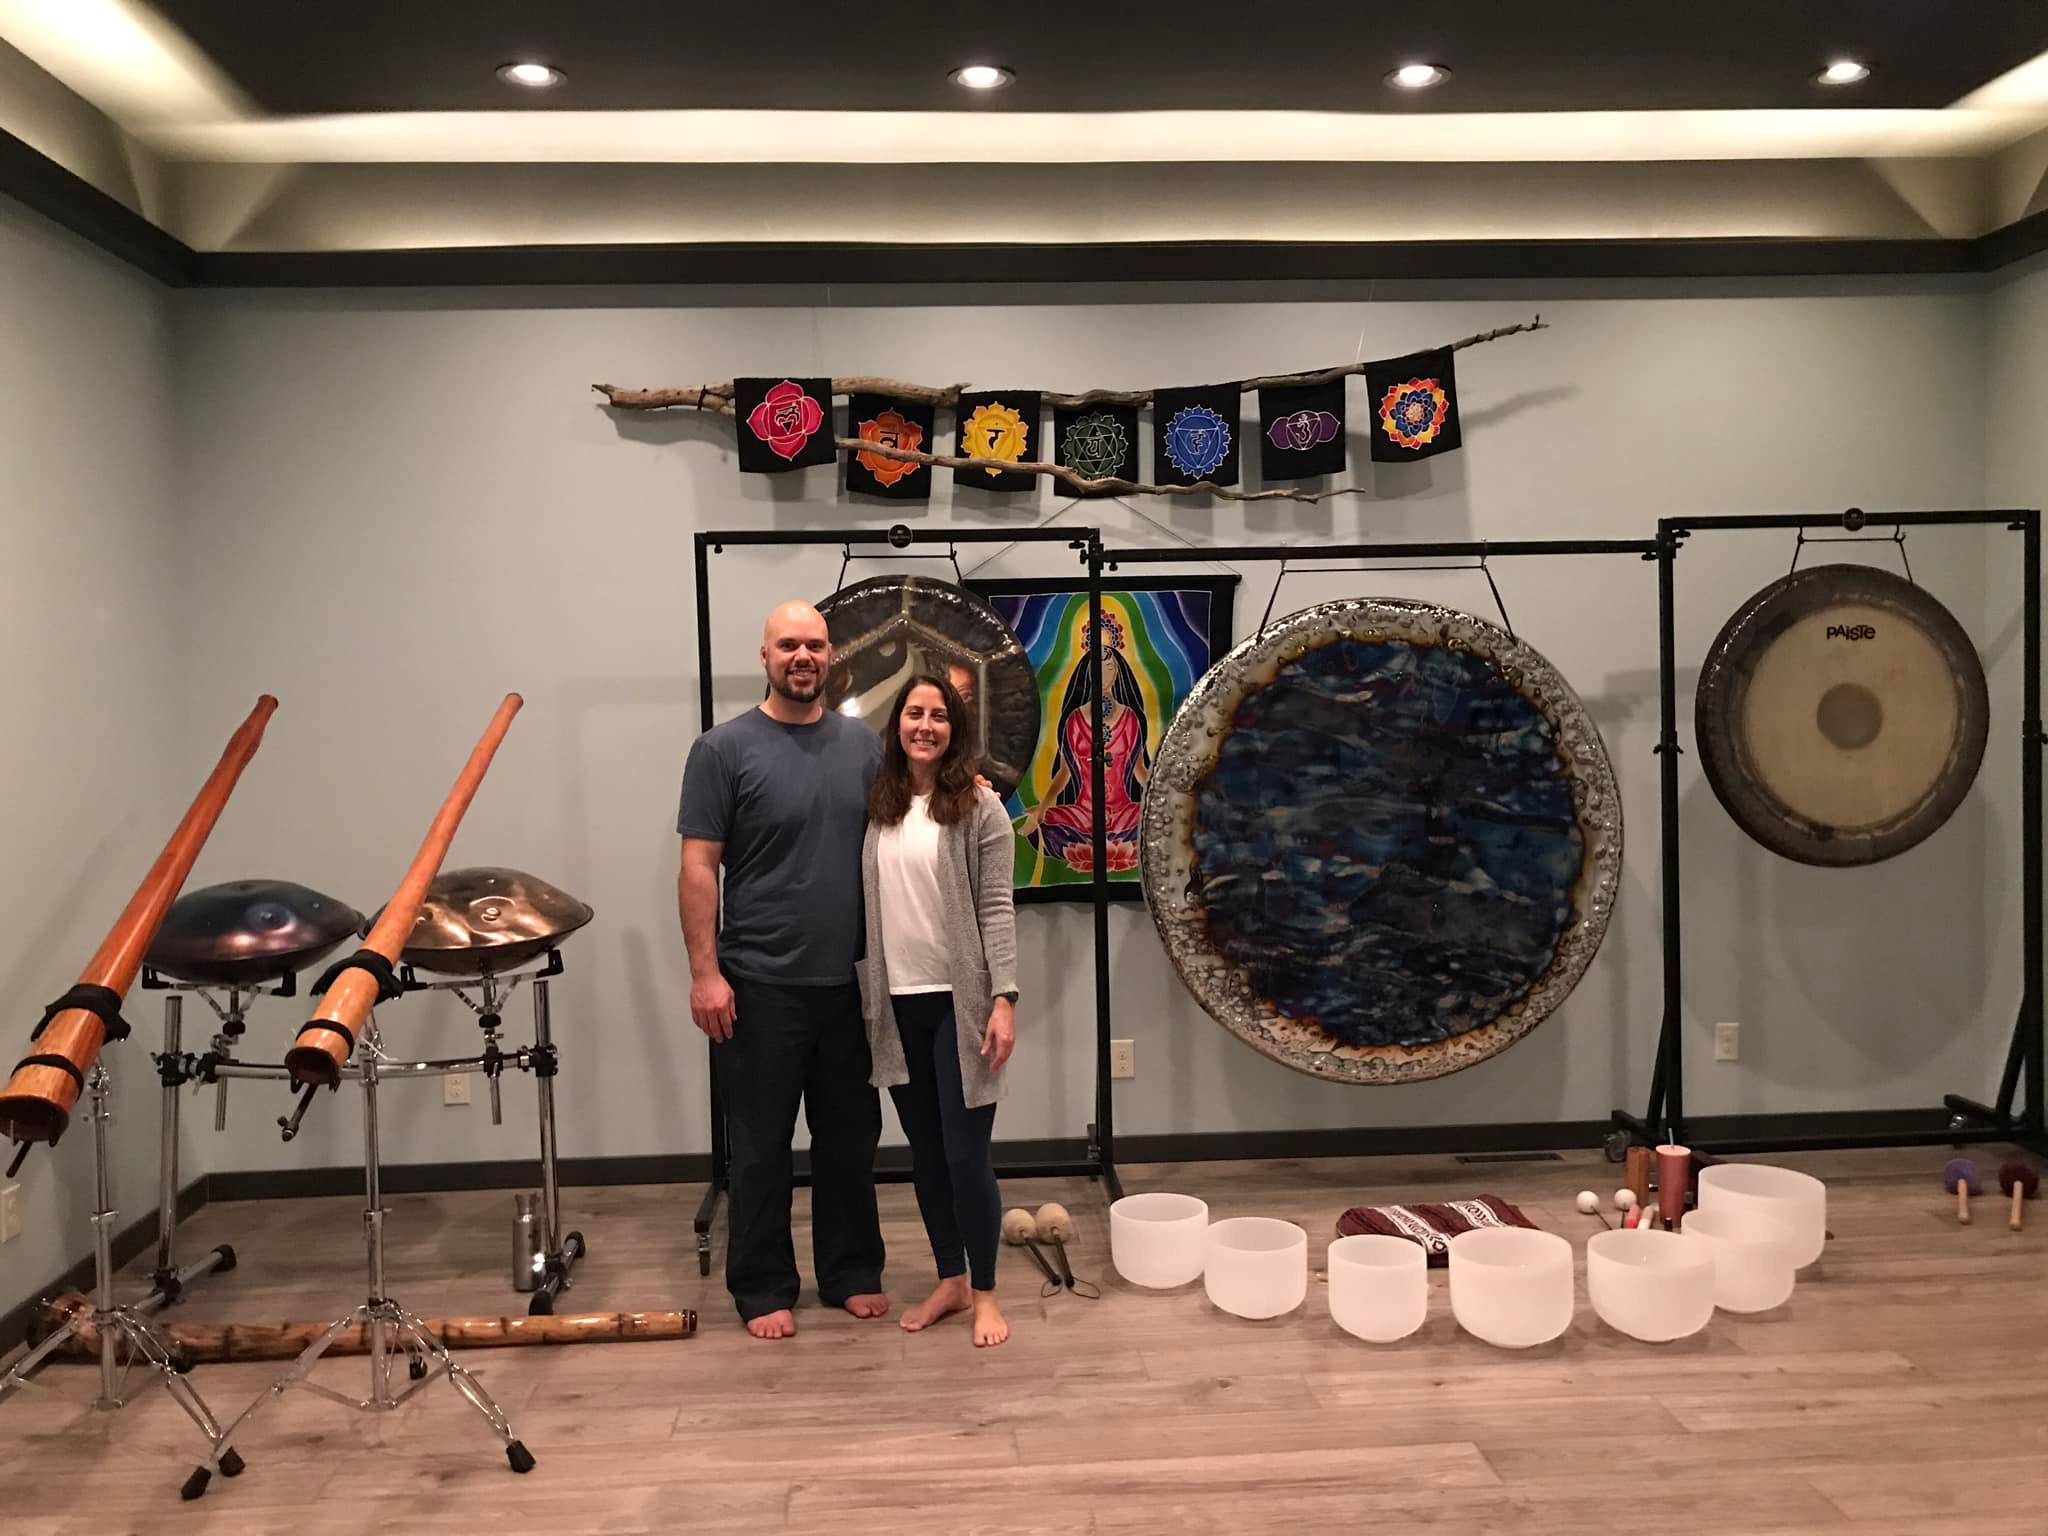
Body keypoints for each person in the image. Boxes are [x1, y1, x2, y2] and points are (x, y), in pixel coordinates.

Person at [676, 601, 889, 1339]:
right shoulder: (722, 750)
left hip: (851, 985)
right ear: (765, 657)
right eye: (789, 644)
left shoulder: (863, 746)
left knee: (850, 1142)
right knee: (761, 1149)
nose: (804, 656)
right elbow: (697, 868)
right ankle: (763, 1285)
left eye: (816, 645)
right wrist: (705, 973)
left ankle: (852, 1271)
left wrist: (974, 790)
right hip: (758, 985)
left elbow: (914, 818)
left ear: (832, 657)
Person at [859, 673, 1020, 1347]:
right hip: (896, 1006)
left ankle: (985, 1293)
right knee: (925, 1154)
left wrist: (1004, 997)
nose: (925, 726)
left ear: (955, 730)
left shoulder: (980, 808)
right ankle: (950, 1279)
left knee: (964, 1155)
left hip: (962, 1006)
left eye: (939, 716)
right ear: (897, 723)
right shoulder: (879, 804)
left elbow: (997, 907)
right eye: (914, 713)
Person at [1015, 611, 1150, 874]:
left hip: (1124, 813)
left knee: (1151, 822)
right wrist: (1043, 809)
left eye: (1109, 668)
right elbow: (1064, 773)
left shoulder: (1131, 719)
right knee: (1038, 826)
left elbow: (1140, 770)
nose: (1104, 675)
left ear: (1118, 672)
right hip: (1082, 815)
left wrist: (1164, 802)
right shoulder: (1075, 720)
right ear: (1088, 673)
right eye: (1097, 670)